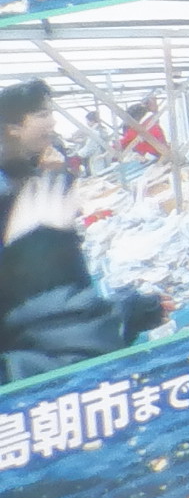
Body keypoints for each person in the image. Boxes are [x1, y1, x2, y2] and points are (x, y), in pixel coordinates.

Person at [0, 79, 164, 382]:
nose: (52, 122)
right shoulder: (8, 197)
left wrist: (121, 315)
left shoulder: (24, 179)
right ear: (12, 128)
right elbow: (55, 357)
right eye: (41, 114)